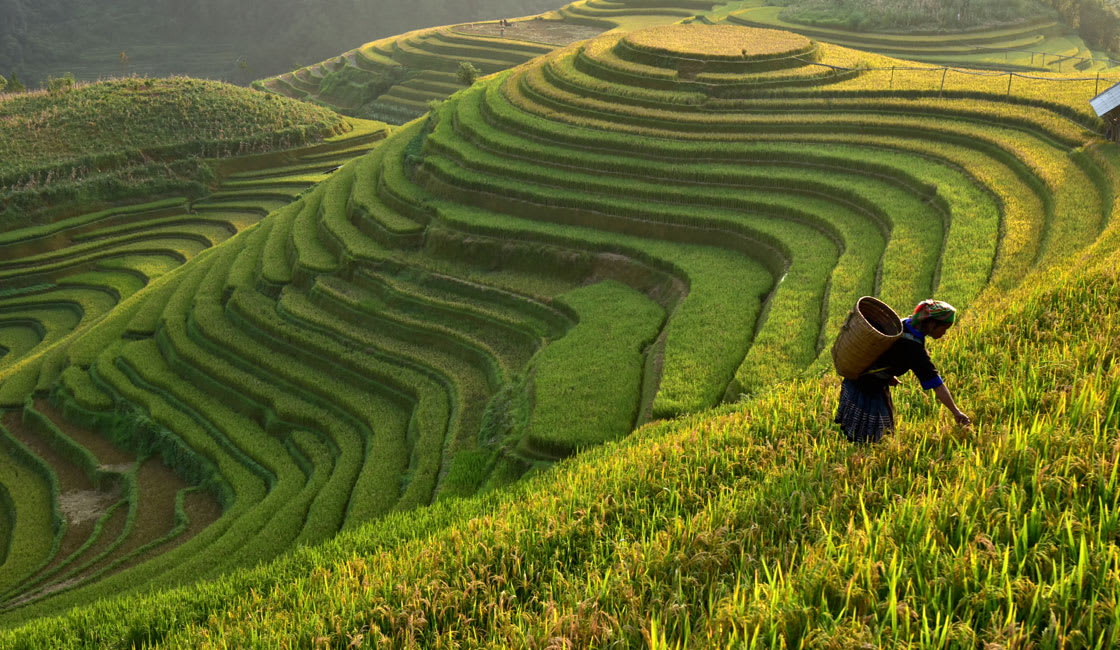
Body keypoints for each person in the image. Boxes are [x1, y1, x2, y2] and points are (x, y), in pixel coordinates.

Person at [835, 299, 971, 443]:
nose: (944, 333)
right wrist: (956, 412)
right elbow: (936, 383)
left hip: (859, 379)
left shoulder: (903, 324)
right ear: (932, 324)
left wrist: (888, 375)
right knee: (877, 437)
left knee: (868, 433)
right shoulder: (914, 348)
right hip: (867, 388)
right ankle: (865, 459)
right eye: (944, 328)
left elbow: (886, 353)